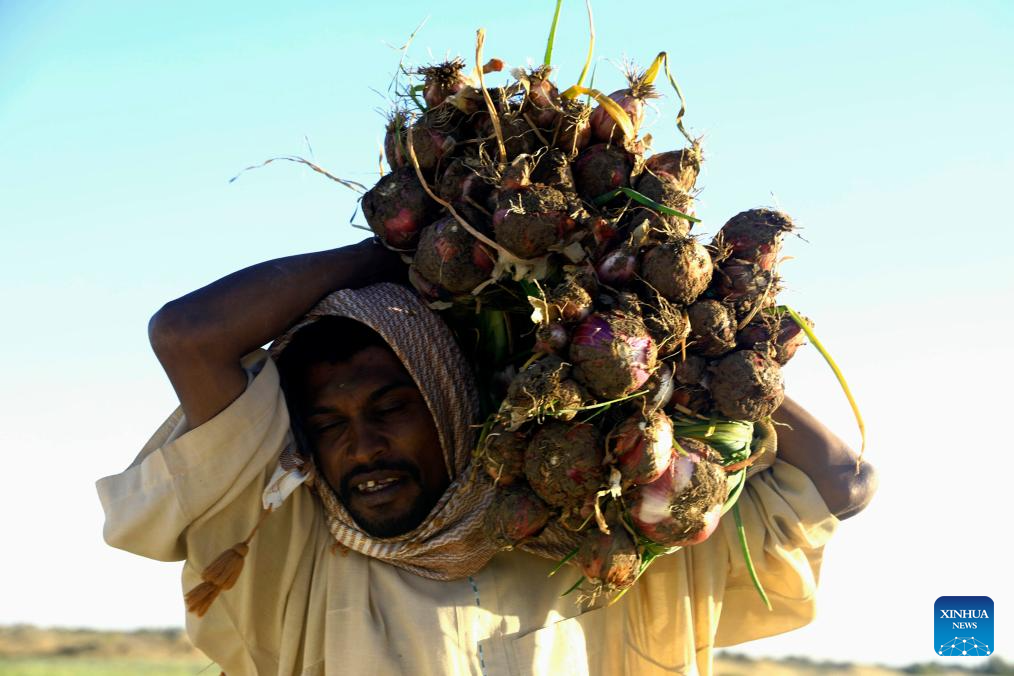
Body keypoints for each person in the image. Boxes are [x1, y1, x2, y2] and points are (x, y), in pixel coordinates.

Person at [97, 238, 878, 676]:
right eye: (328, 424)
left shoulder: (596, 546)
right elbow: (188, 338)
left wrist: (698, 357)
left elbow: (845, 480)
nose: (360, 446)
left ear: (449, 399)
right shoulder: (288, 550)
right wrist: (400, 252)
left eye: (391, 408)